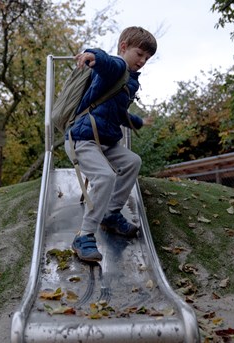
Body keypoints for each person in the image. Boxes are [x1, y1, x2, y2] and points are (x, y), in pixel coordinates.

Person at [66, 26, 157, 262]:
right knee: (105, 177)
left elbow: (117, 112)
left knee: (132, 162)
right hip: (83, 139)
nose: (143, 61)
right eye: (139, 54)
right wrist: (92, 55)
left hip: (105, 141)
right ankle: (84, 235)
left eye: (147, 58)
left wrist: (137, 121)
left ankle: (110, 213)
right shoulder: (116, 68)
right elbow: (106, 62)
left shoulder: (130, 81)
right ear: (124, 47)